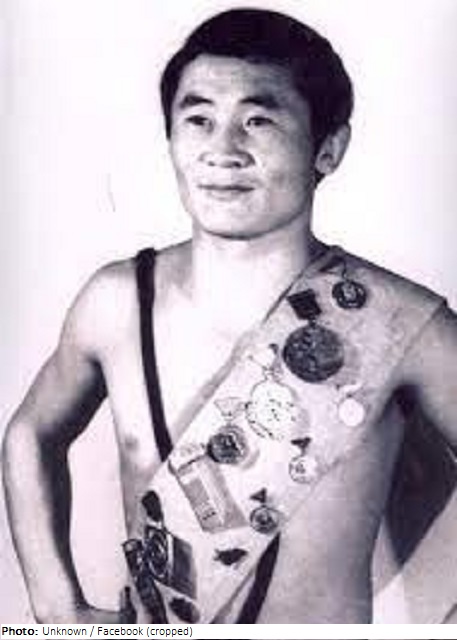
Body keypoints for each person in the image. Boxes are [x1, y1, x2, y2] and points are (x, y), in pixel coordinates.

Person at [2, 7, 457, 624]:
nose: (223, 150)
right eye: (198, 119)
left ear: (328, 148)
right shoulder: (116, 303)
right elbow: (30, 434)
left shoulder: (400, 324)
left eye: (258, 121)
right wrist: (57, 610)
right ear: (170, 139)